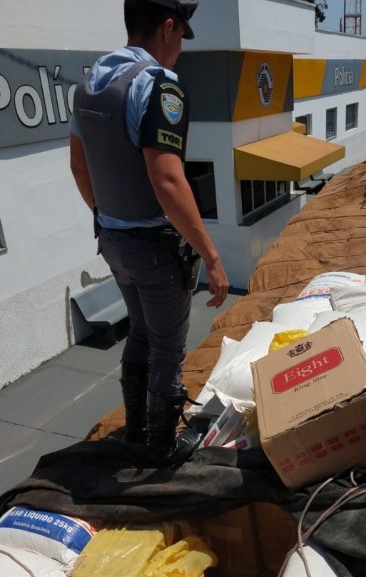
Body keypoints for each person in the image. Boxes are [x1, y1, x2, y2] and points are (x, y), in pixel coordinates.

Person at [70, 0, 229, 466]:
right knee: (167, 347)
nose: (180, 48)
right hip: (156, 249)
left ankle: (136, 429)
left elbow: (80, 167)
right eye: (181, 37)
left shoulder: (91, 83)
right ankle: (161, 446)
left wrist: (106, 216)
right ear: (167, 27)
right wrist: (212, 256)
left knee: (139, 332)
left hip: (113, 241)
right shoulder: (159, 84)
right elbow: (168, 181)